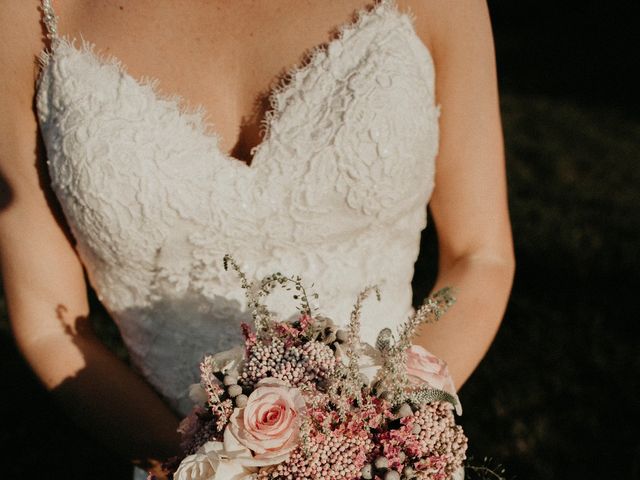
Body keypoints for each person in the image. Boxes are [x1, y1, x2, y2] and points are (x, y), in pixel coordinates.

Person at [0, 0, 515, 478]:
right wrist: (207, 467)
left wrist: (385, 435)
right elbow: (49, 318)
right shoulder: (26, 15)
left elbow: (480, 256)